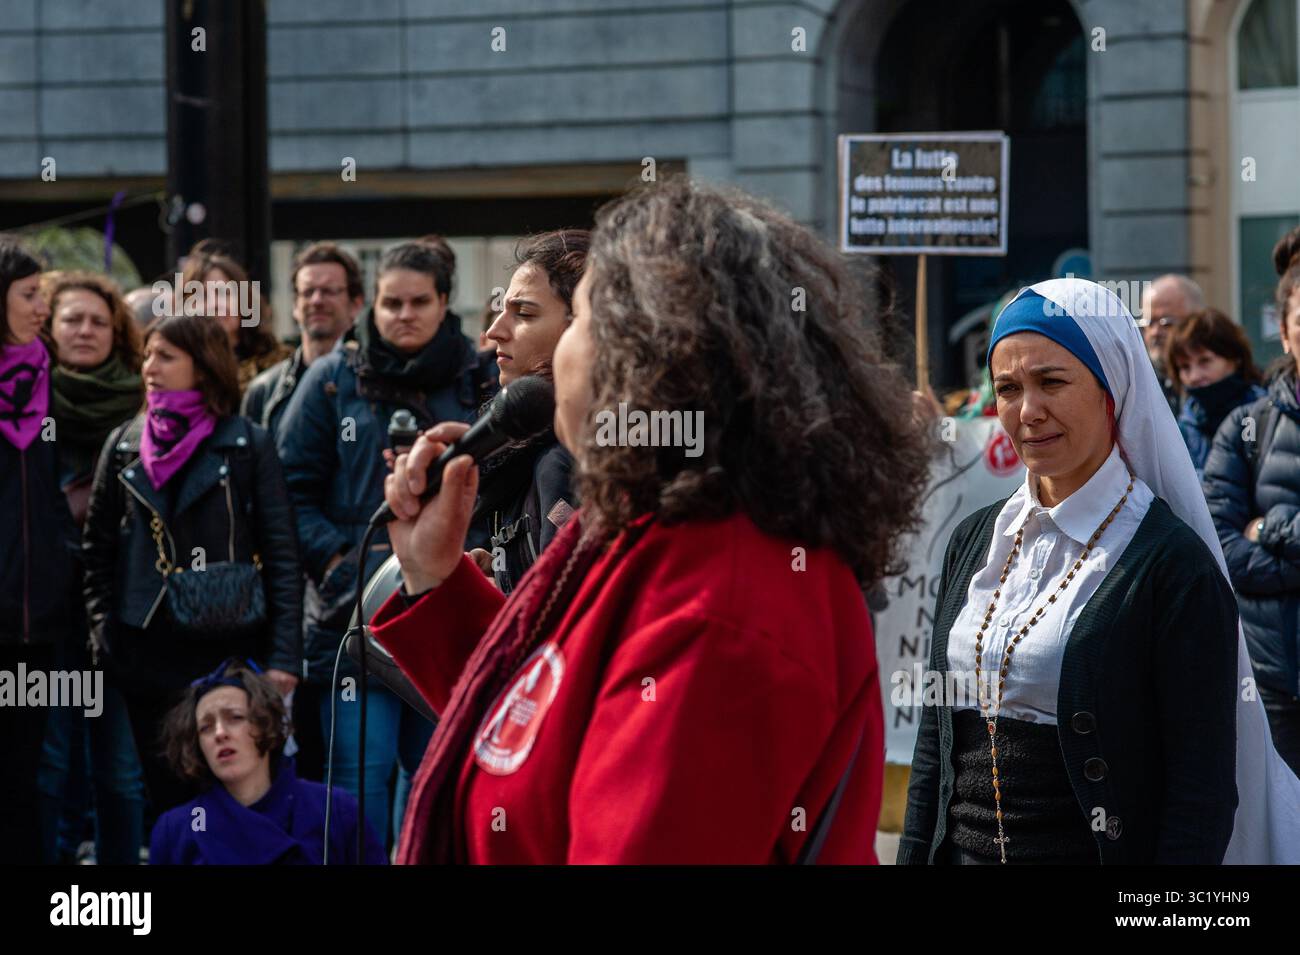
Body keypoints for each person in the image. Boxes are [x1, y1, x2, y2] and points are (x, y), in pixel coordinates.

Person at [370, 179, 929, 863]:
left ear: (648, 352)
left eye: (577, 314)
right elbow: (536, 719)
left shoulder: (721, 600)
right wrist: (437, 579)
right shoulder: (653, 526)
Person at [901, 277, 1300, 865]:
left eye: (1052, 381)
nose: (1027, 412)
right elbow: (935, 751)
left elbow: (1200, 796)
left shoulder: (1171, 564)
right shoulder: (975, 540)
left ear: (1112, 389)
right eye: (1007, 388)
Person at [276, 241, 493, 847]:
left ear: (444, 301)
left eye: (418, 301)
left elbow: (500, 488)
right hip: (353, 622)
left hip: (444, 612)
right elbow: (289, 491)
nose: (403, 314)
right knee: (356, 782)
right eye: (389, 302)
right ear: (370, 305)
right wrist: (345, 567)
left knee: (435, 776)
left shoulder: (480, 378)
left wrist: (464, 565)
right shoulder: (331, 379)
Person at [82, 314, 303, 820]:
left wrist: (284, 657)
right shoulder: (122, 444)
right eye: (146, 355)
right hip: (145, 652)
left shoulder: (247, 442)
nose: (150, 367)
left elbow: (282, 554)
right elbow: (95, 554)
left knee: (237, 796)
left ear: (202, 367)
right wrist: (106, 638)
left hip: (227, 647)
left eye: (166, 356)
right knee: (166, 801)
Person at [38, 271, 146, 865]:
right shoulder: (23, 399)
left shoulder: (141, 405)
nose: (84, 330)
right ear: (50, 329)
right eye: (71, 319)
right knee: (51, 763)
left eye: (98, 321)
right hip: (47, 609)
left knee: (120, 766)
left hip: (117, 607)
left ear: (117, 334)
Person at [0, 238, 80, 864]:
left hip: (35, 623)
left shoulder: (43, 375)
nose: (42, 308)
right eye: (29, 295)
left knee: (25, 781)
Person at [1203, 260, 1300, 775]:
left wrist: (1274, 526)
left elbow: (1249, 537)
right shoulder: (1244, 429)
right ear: (1284, 333)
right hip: (1274, 682)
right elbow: (1219, 545)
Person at [150, 658, 385, 865]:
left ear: (266, 724)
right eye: (205, 727)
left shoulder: (334, 809)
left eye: (235, 717)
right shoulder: (175, 830)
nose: (220, 733)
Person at [242, 242, 363, 435]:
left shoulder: (372, 384)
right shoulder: (264, 390)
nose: (317, 300)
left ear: (355, 304)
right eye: (308, 292)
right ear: (295, 305)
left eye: (329, 291)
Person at [1164, 308, 1265, 478]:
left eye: (1205, 361)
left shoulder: (1265, 413)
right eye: (1185, 367)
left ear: (1234, 358)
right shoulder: (1184, 426)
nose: (1194, 376)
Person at [179, 239, 290, 393]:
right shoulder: (174, 371)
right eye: (202, 296)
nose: (215, 305)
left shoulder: (281, 367)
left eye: (224, 293)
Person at [1137, 273, 1205, 414]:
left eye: (1166, 322)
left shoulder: (1215, 380)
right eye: (1149, 323)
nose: (1155, 332)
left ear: (1196, 321)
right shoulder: (1136, 385)